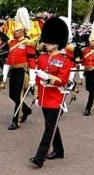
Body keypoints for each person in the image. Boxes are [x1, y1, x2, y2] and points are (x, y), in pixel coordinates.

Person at [30, 17, 72, 167]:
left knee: (49, 128)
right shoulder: (42, 58)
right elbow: (37, 79)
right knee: (52, 126)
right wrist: (36, 95)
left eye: (49, 42)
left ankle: (40, 157)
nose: (46, 44)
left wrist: (48, 78)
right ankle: (59, 150)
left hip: (56, 99)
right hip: (43, 97)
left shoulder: (65, 61)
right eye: (46, 41)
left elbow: (63, 80)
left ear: (57, 43)